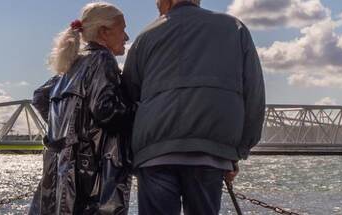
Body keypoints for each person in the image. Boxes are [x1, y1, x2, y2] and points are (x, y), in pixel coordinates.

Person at [122, 0, 265, 214]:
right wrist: (238, 151)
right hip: (209, 154)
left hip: (154, 153)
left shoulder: (145, 36)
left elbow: (128, 97)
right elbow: (254, 95)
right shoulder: (234, 29)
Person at [28, 2, 135, 214]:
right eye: (122, 29)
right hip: (90, 174)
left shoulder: (73, 63)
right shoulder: (103, 59)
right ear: (104, 32)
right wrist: (141, 108)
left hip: (60, 169)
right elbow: (107, 112)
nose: (126, 37)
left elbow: (40, 97)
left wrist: (66, 130)